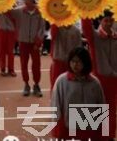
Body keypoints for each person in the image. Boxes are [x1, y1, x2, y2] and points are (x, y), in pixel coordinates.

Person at [51, 47, 106, 140]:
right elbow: (56, 104)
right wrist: (57, 128)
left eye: (79, 61)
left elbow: (101, 105)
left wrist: (103, 130)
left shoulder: (94, 83)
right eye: (73, 61)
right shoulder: (62, 81)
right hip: (68, 127)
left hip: (89, 128)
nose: (75, 65)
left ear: (85, 63)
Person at [82, 9, 117, 139]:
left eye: (111, 20)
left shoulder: (116, 36)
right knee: (93, 108)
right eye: (105, 20)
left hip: (113, 79)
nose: (108, 23)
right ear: (100, 21)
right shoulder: (95, 37)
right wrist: (85, 7)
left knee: (111, 110)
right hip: (97, 79)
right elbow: (86, 27)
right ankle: (88, 136)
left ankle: (109, 136)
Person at [11, 0, 45, 97]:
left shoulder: (40, 11)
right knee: (23, 64)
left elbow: (42, 27)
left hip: (35, 43)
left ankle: (36, 85)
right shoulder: (20, 11)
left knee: (36, 64)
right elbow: (7, 12)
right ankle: (26, 84)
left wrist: (38, 41)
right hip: (23, 41)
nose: (26, 1)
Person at [49, 22, 82, 91]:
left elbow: (79, 48)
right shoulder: (56, 28)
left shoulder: (76, 31)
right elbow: (53, 35)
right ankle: (54, 100)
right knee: (56, 85)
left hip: (71, 63)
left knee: (72, 85)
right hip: (58, 61)